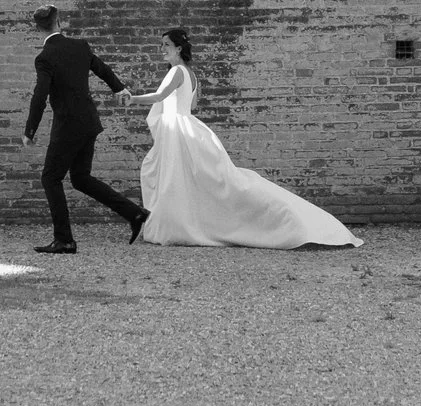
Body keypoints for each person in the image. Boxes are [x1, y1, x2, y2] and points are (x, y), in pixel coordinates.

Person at [123, 28, 360, 249]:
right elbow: (192, 104)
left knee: (179, 179)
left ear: (178, 48)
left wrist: (132, 99)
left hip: (178, 130)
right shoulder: (192, 75)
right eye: (161, 45)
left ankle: (185, 224)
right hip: (187, 126)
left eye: (166, 45)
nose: (162, 49)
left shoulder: (176, 71)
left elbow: (160, 96)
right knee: (198, 180)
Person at [22, 4, 150, 253]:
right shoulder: (80, 47)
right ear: (60, 21)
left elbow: (40, 96)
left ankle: (65, 240)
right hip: (89, 122)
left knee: (50, 178)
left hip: (68, 125)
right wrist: (120, 89)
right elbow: (102, 69)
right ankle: (134, 214)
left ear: (38, 28)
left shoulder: (45, 57)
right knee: (80, 178)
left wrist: (30, 131)